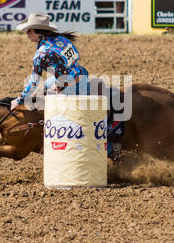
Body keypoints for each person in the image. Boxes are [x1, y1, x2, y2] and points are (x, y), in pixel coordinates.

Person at [11, 12, 121, 161]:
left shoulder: (41, 54)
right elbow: (75, 57)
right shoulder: (61, 39)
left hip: (70, 83)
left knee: (68, 117)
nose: (27, 34)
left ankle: (105, 149)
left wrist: (19, 99)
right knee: (46, 88)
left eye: (29, 30)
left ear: (38, 32)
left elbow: (34, 82)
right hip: (80, 75)